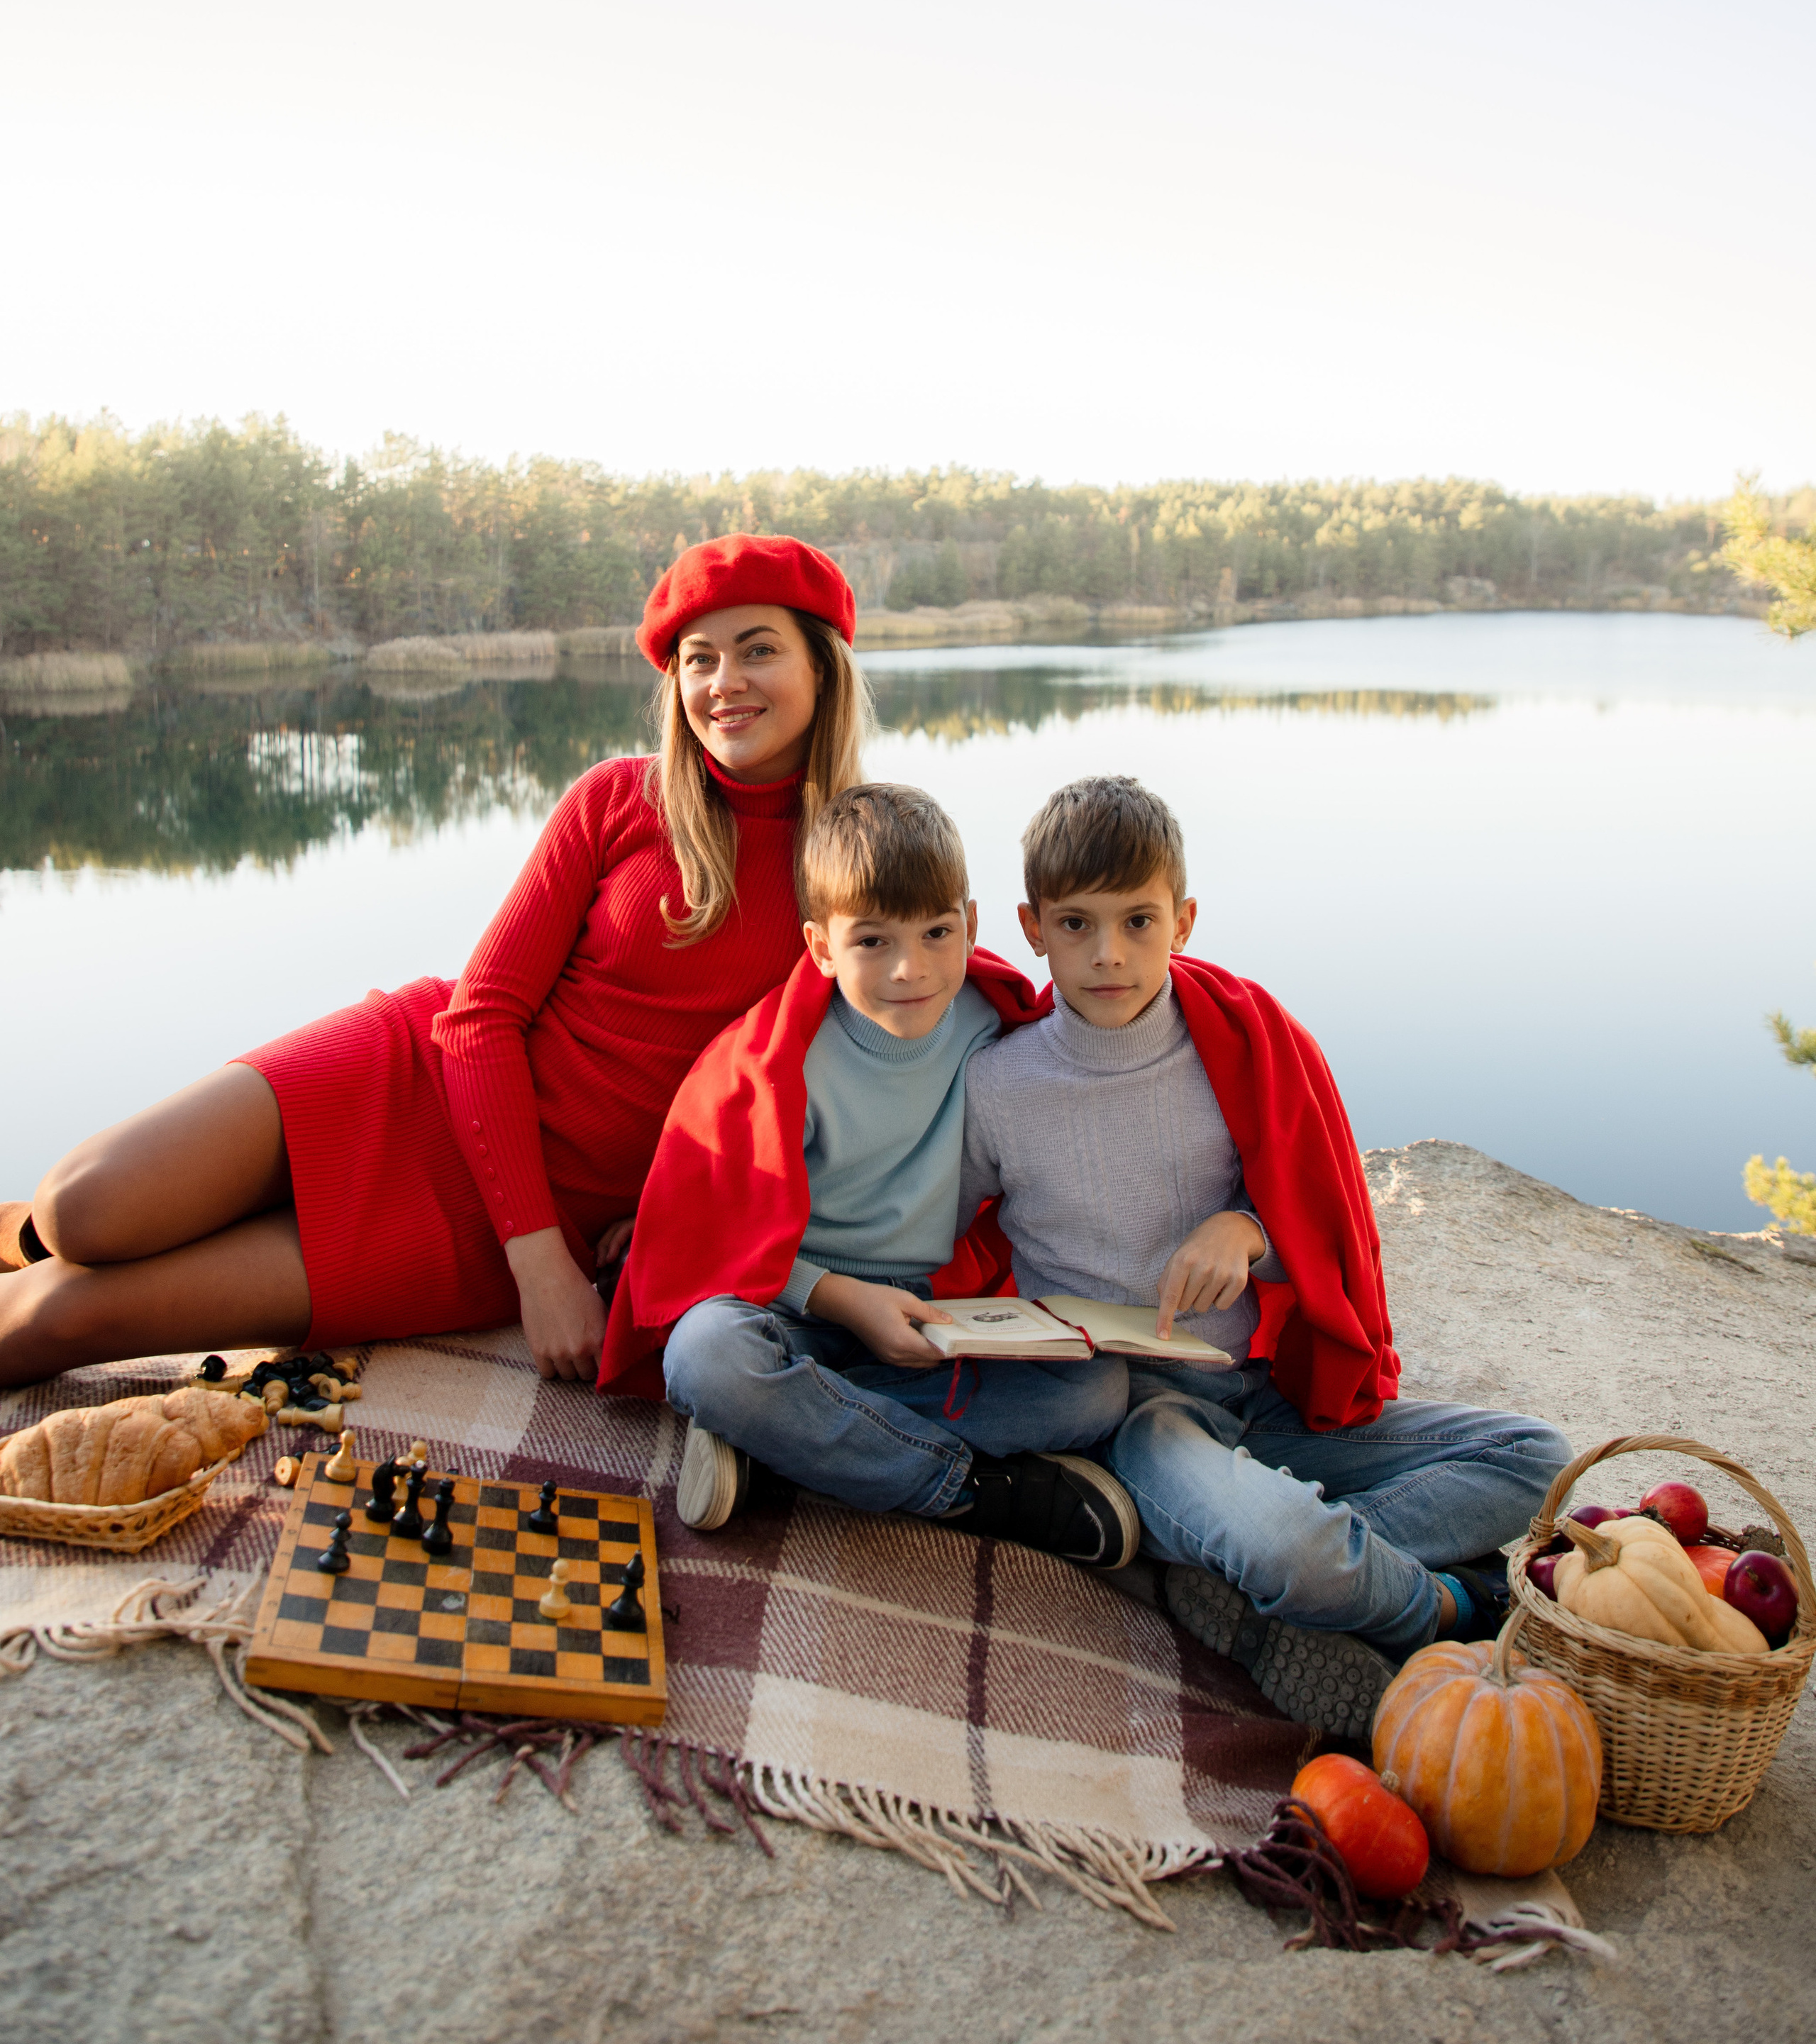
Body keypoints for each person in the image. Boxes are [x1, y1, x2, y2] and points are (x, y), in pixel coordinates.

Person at [0, 536, 869, 1390]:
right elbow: (481, 1013)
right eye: (698, 658)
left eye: (759, 651)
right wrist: (543, 1270)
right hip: (416, 1076)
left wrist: (629, 1227)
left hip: (488, 1223)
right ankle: (21, 1233)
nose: (724, 684)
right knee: (82, 1210)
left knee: (54, 1322)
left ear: (823, 668)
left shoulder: (859, 860)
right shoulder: (618, 798)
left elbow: (913, 1013)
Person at [956, 774, 1574, 1739]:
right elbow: (935, 1239)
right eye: (1076, 925)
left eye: (1138, 921)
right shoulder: (998, 1086)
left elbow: (1322, 1214)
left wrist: (1247, 1229)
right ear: (1033, 927)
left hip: (1264, 1395)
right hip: (1138, 1418)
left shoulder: (1242, 1044)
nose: (1108, 954)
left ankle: (1234, 1569)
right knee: (1291, 1552)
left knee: (1539, 1460)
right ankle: (1449, 1606)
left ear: (1185, 919)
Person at [599, 782, 1139, 1569]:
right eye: (872, 942)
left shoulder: (996, 1025)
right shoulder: (781, 1061)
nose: (909, 969)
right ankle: (968, 1492)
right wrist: (844, 1301)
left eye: (935, 933)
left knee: (1095, 1393)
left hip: (929, 1319)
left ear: (972, 924)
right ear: (821, 946)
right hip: (793, 1307)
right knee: (705, 1356)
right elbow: (711, 1235)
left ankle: (780, 1452)